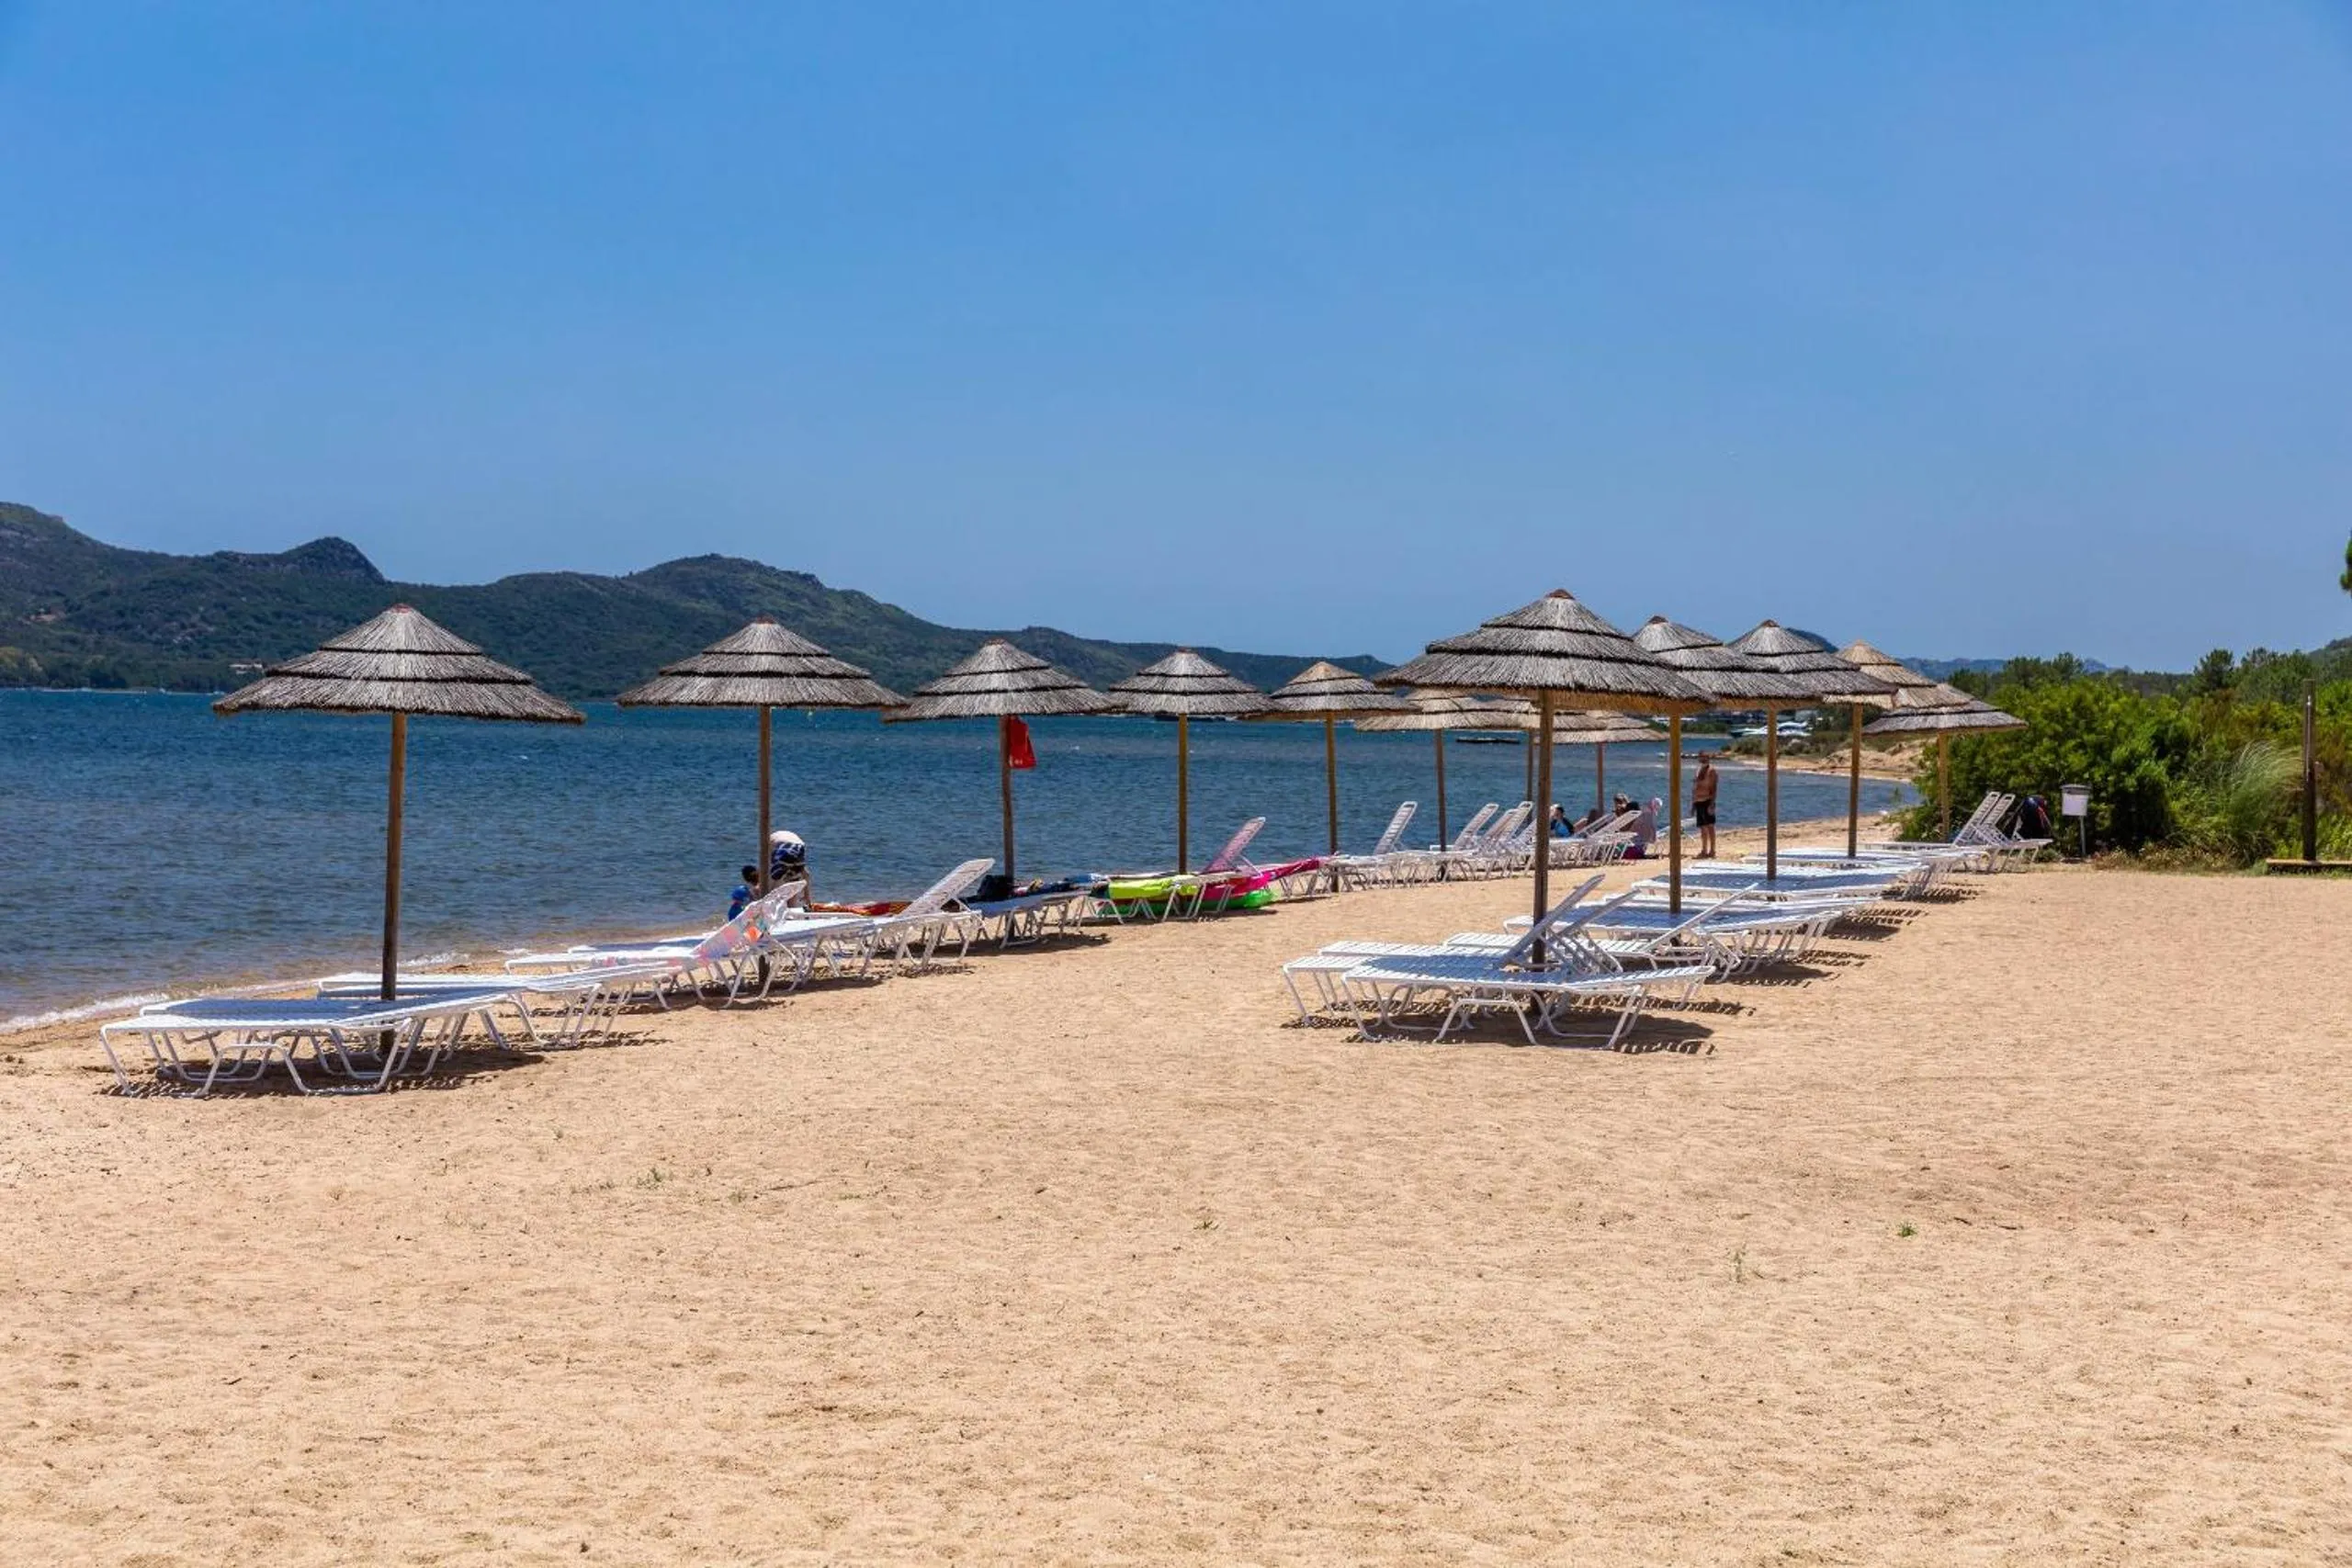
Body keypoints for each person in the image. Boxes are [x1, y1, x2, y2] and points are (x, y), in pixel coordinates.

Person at [768, 829, 809, 899]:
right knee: (776, 875)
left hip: (782, 840)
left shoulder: (797, 867)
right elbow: (806, 874)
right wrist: (807, 896)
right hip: (798, 843)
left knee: (774, 876)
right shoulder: (799, 867)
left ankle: (769, 898)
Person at [1692, 753, 1720, 859]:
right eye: (1701, 757)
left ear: (1708, 758)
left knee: (1710, 826)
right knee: (1702, 827)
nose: (1702, 759)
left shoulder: (1712, 771)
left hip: (1707, 800)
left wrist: (1712, 803)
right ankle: (1704, 850)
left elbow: (1714, 788)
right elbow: (1695, 787)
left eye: (1704, 757)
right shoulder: (1698, 770)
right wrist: (1693, 804)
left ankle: (1712, 850)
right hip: (1698, 801)